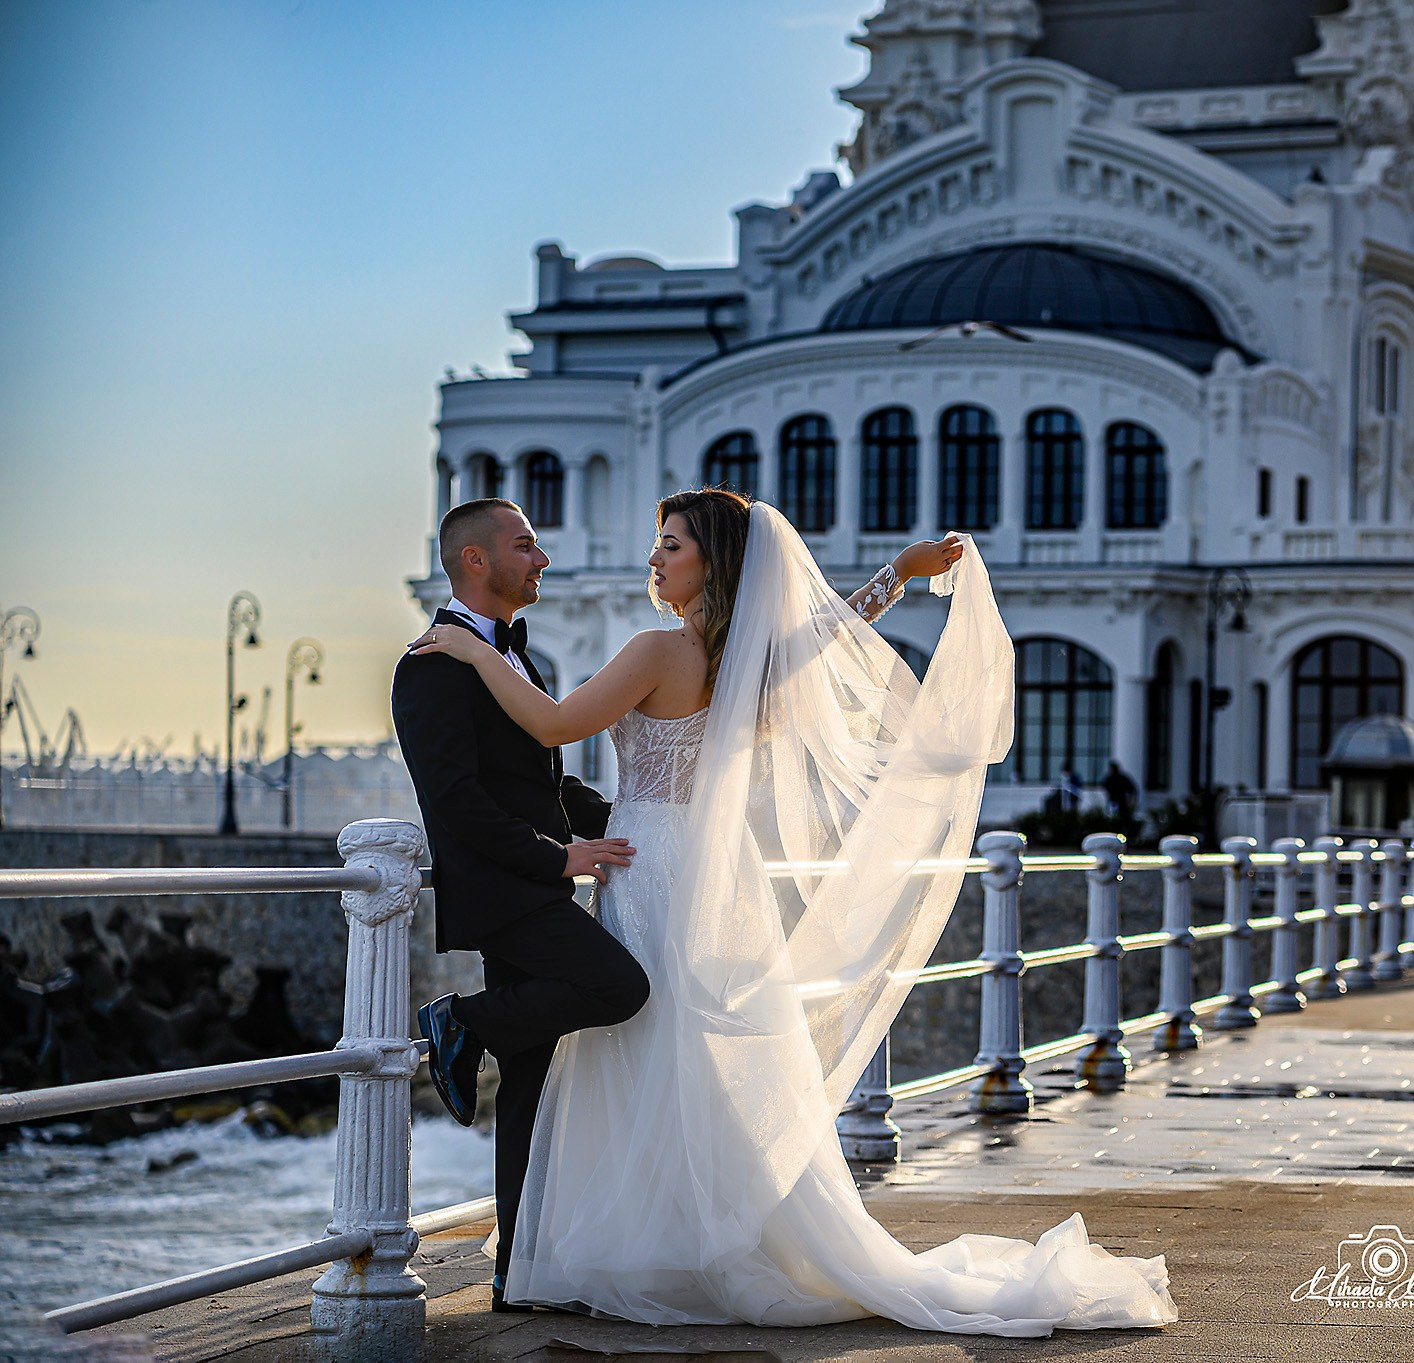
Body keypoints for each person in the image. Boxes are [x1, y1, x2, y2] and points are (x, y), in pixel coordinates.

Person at [407, 488, 1175, 1334]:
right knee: (686, 1057)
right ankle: (645, 1243)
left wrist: (474, 657)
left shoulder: (658, 650)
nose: (654, 558)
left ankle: (617, 1233)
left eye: (671, 545)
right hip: (714, 875)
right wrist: (901, 575)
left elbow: (553, 729)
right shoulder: (752, 664)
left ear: (715, 564)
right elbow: (832, 636)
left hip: (654, 871)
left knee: (643, 1047)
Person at [393, 497, 651, 1313]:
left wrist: (636, 826)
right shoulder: (431, 664)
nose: (542, 558)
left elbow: (542, 783)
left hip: (535, 883)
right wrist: (558, 855)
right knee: (621, 986)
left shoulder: (502, 654)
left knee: (532, 1085)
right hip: (505, 891)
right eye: (525, 544)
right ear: (475, 560)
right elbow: (456, 802)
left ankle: (519, 1269)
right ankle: (460, 1021)